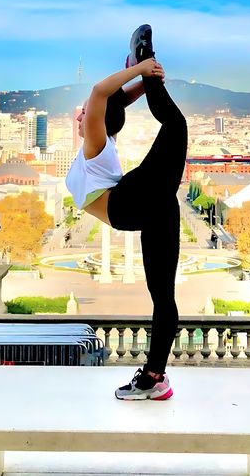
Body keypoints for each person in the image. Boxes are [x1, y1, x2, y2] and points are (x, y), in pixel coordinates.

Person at [66, 24, 187, 400]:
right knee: (176, 124)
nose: (83, 114)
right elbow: (103, 97)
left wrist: (144, 73)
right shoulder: (96, 143)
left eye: (86, 114)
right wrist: (144, 68)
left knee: (163, 297)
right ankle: (144, 61)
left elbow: (106, 96)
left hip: (139, 208)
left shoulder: (99, 143)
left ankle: (154, 377)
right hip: (128, 205)